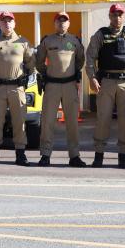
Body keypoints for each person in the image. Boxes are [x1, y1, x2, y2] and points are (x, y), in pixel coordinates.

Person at [85, 3, 125, 168]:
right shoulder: (100, 35)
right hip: (105, 82)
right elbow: (90, 57)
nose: (117, 17)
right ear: (109, 16)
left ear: (124, 16)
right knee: (102, 119)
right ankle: (98, 156)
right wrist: (92, 78)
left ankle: (122, 157)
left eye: (120, 14)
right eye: (114, 14)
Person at [0, 11, 37, 166]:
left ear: (14, 23)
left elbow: (31, 62)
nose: (7, 24)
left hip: (17, 87)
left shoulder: (23, 42)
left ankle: (20, 154)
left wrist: (27, 75)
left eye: (10, 21)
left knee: (19, 121)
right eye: (4, 21)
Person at [35, 11, 87, 167]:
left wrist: (72, 73)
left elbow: (80, 61)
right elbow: (39, 62)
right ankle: (45, 154)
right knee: (47, 121)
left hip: (70, 85)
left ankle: (74, 156)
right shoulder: (47, 41)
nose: (62, 23)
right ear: (54, 23)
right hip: (52, 86)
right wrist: (47, 75)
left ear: (69, 23)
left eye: (65, 21)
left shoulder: (75, 42)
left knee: (72, 122)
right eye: (59, 20)